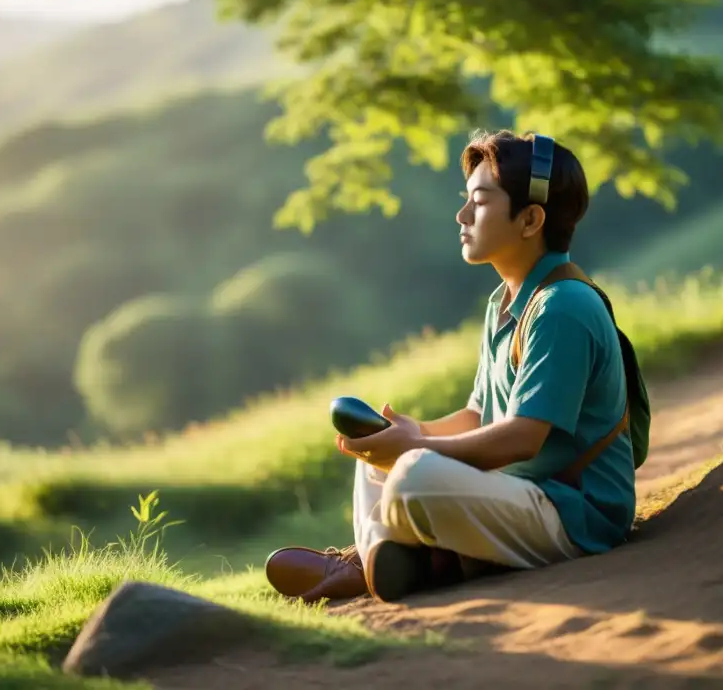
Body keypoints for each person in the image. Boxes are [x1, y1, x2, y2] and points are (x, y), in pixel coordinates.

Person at [264, 129, 637, 604]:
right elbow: (479, 416)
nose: (461, 215)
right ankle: (397, 559)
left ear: (529, 220)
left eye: (478, 202)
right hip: (518, 493)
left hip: (574, 514)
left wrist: (415, 449)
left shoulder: (562, 307)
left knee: (414, 472)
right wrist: (407, 432)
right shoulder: (504, 302)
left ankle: (382, 559)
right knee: (375, 458)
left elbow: (523, 438)